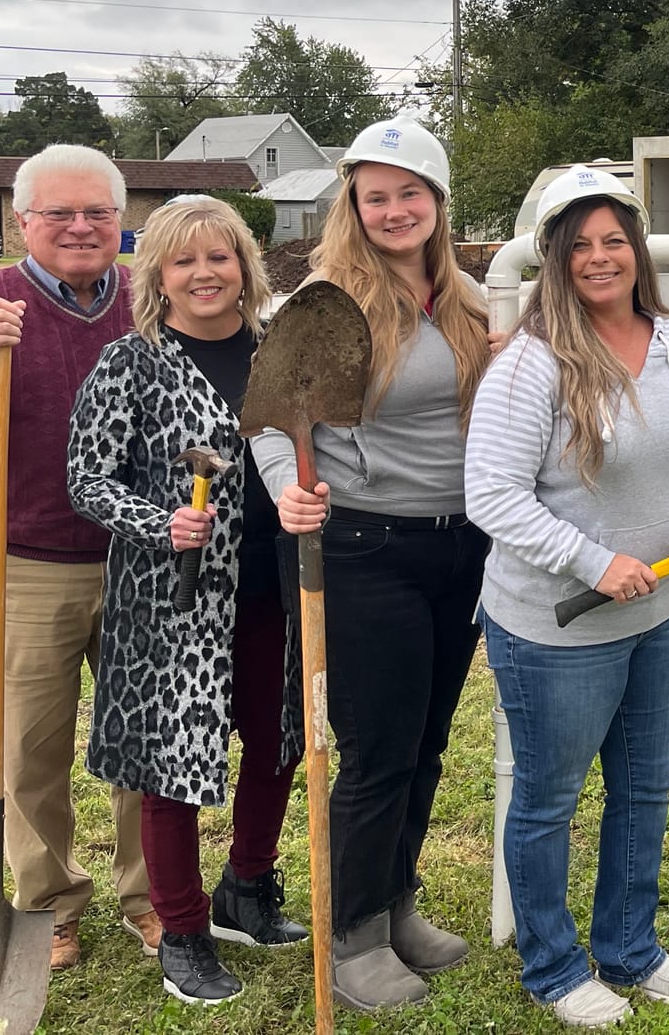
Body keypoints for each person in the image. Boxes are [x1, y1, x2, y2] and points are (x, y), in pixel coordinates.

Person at [467, 165, 669, 1028]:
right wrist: (594, 562)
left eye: (614, 241)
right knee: (548, 799)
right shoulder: (531, 365)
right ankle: (553, 967)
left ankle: (630, 949)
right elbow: (492, 493)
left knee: (644, 789)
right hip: (557, 628)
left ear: (638, 250)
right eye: (580, 244)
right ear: (555, 258)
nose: (600, 259)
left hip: (658, 613)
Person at [251, 117, 492, 1012]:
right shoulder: (328, 300)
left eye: (410, 193)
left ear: (436, 200)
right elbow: (280, 419)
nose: (394, 211)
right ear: (354, 202)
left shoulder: (467, 298)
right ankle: (351, 939)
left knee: (426, 744)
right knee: (379, 751)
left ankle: (396, 905)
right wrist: (287, 490)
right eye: (376, 195)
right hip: (360, 546)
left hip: (461, 544)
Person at [0, 144, 156, 969]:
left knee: (142, 737)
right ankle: (49, 903)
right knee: (26, 747)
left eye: (99, 213)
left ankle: (152, 897)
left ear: (122, 223)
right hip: (20, 561)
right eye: (59, 214)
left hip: (140, 557)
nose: (81, 227)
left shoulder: (152, 302)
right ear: (21, 223)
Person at [66, 196, 306, 1005]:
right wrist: (158, 519)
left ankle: (248, 886)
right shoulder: (130, 362)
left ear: (245, 265)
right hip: (175, 600)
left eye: (221, 256)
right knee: (173, 761)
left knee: (277, 742)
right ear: (158, 277)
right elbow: (87, 479)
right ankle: (182, 928)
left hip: (273, 584)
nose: (205, 273)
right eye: (184, 261)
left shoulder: (279, 351)